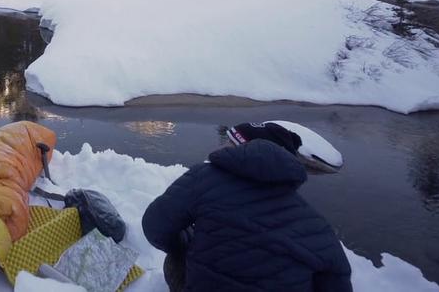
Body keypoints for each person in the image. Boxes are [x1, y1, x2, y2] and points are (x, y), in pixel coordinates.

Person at [142, 122, 352, 292]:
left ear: (243, 150)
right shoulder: (316, 226)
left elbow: (154, 226)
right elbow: (337, 281)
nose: (222, 148)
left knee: (175, 259)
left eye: (229, 144)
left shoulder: (205, 177)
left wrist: (187, 243)